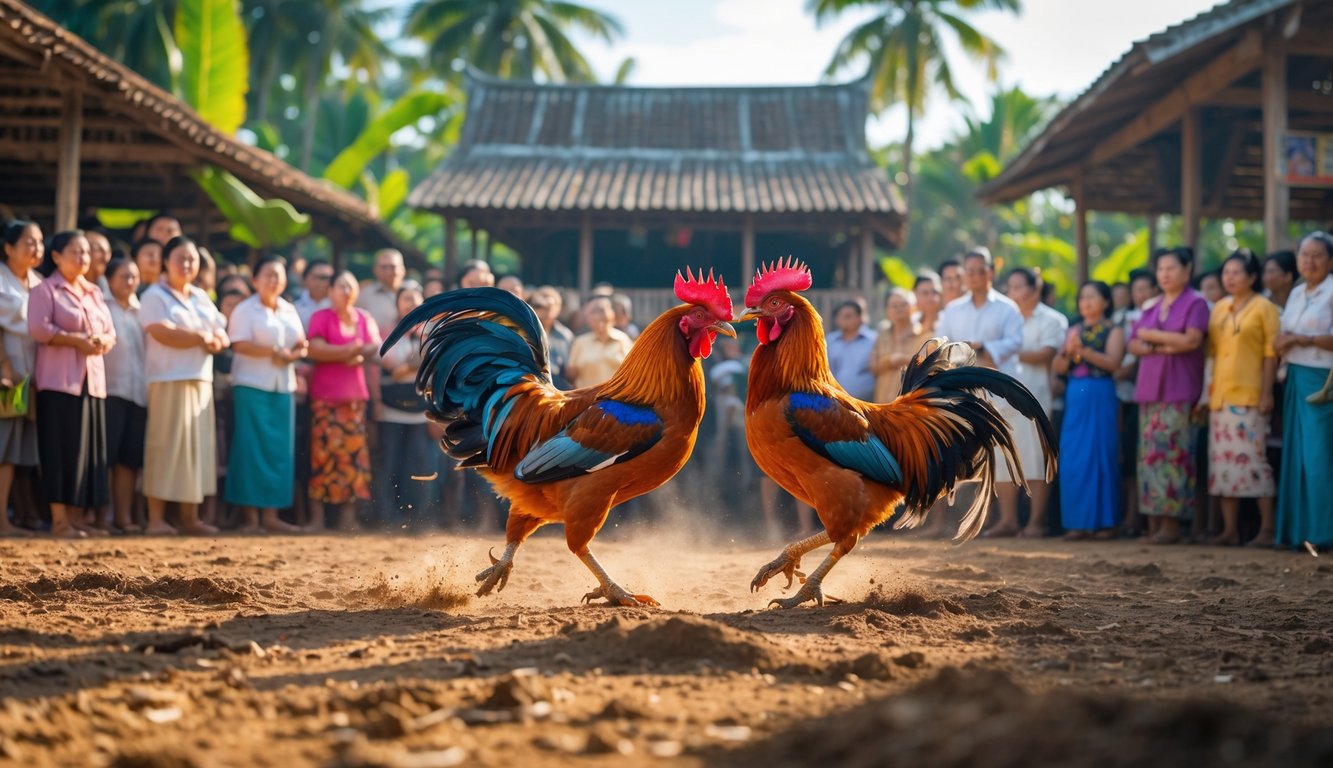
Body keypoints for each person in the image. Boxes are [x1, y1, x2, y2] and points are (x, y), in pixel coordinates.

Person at [27, 230, 117, 539]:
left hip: (91, 381)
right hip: (57, 382)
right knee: (58, 449)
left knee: (86, 452)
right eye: (75, 252)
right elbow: (40, 329)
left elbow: (110, 332)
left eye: (86, 253)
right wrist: (77, 341)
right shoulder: (45, 290)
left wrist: (102, 341)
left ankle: (77, 519)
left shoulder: (93, 291)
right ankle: (59, 520)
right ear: (56, 256)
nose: (83, 258)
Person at [930, 248, 1023, 538]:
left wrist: (981, 347)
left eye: (978, 270)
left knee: (1003, 454)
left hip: (999, 391)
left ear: (990, 273)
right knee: (962, 455)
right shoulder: (953, 309)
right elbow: (939, 344)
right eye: (967, 271)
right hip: (961, 393)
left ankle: (1007, 520)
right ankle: (963, 522)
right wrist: (963, 350)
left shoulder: (1007, 308)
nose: (972, 275)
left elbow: (1015, 342)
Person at [140, 236, 229, 535]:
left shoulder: (201, 297)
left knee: (197, 451)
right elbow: (160, 332)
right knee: (165, 448)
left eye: (192, 259)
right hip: (168, 378)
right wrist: (201, 338)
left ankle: (189, 519)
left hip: (200, 379)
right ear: (166, 260)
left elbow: (222, 332)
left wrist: (213, 340)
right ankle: (156, 520)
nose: (187, 264)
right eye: (181, 258)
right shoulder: (155, 295)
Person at [1126, 247, 1209, 545]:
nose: (1165, 274)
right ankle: (1154, 525)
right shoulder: (1151, 305)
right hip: (1150, 389)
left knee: (1173, 455)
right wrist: (1165, 344)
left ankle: (1172, 526)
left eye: (1171, 268)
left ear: (1187, 271)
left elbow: (1192, 340)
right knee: (1149, 456)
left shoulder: (1196, 302)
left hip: (1179, 388)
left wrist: (1152, 337)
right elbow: (1133, 344)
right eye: (1161, 268)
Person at [225, 256, 308, 534]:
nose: (274, 280)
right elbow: (238, 344)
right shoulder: (245, 310)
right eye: (268, 274)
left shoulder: (288, 309)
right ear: (255, 280)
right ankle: (250, 518)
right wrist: (273, 353)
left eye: (278, 275)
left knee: (278, 451)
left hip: (283, 387)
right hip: (251, 385)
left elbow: (301, 344)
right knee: (250, 448)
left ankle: (272, 515)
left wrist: (292, 355)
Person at [1206, 249, 1280, 547]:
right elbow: (1211, 354)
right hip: (1220, 398)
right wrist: (1206, 393)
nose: (1230, 277)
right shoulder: (1220, 307)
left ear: (1252, 276)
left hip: (1250, 397)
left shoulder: (1265, 307)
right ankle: (1230, 530)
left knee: (1255, 462)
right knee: (1223, 465)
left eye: (1237, 272)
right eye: (1226, 272)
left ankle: (1266, 529)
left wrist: (1266, 393)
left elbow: (1270, 354)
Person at [306, 271, 379, 532]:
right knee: (322, 456)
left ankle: (348, 519)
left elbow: (375, 345)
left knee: (353, 458)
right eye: (340, 286)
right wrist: (348, 351)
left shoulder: (364, 317)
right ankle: (317, 520)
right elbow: (313, 348)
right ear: (331, 291)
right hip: (325, 398)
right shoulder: (321, 317)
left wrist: (356, 353)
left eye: (350, 286)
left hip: (355, 399)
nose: (346, 290)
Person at [997, 268, 1067, 538]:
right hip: (1002, 398)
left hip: (1037, 398)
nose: (1012, 292)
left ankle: (1036, 522)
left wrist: (1003, 349)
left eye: (1018, 287)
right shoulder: (1005, 318)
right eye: (1010, 287)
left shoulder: (1053, 320)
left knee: (1038, 460)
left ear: (1035, 289)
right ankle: (1008, 521)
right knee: (1002, 459)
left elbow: (1045, 355)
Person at [1274, 232, 1333, 551]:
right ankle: (1298, 532)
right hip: (1294, 376)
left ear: (1331, 261)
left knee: (1318, 456)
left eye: (1317, 255)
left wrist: (1302, 339)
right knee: (1295, 456)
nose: (1309, 261)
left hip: (1323, 380)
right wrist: (1285, 341)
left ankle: (1324, 533)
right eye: (1304, 254)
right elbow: (1284, 334)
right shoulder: (1297, 293)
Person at [1053, 281, 1125, 539]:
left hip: (1101, 391)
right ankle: (1077, 522)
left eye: (1092, 297)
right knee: (1074, 456)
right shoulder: (1073, 330)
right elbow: (1059, 367)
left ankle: (1106, 523)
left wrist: (1082, 351)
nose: (1086, 302)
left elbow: (1113, 363)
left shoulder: (1114, 330)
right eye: (1083, 297)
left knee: (1102, 454)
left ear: (1106, 301)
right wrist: (1068, 353)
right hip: (1077, 393)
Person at [373, 284, 435, 527]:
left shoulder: (431, 334)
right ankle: (385, 516)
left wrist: (408, 367)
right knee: (388, 463)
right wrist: (416, 363)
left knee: (419, 465)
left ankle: (417, 518)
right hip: (390, 409)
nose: (410, 303)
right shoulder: (387, 332)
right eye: (405, 298)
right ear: (397, 303)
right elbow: (389, 366)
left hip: (421, 411)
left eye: (415, 299)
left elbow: (433, 368)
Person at [0, 221, 43, 536]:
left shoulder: (40, 283)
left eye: (40, 241)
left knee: (12, 451)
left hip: (30, 378)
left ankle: (5, 518)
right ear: (9, 248)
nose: (36, 247)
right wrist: (4, 365)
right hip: (7, 376)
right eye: (29, 241)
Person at [102, 258, 147, 533]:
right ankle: (98, 518)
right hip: (109, 390)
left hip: (138, 392)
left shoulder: (142, 311)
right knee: (105, 459)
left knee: (129, 460)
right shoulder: (101, 307)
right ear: (109, 279)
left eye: (133, 277)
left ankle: (123, 517)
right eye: (123, 276)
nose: (129, 282)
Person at [1113, 269, 1157, 536]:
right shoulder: (1124, 319)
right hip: (1124, 396)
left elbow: (1130, 360)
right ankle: (1130, 516)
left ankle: (1141, 518)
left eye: (1144, 289)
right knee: (1128, 458)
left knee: (1146, 456)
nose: (1139, 294)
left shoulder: (1153, 317)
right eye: (1136, 290)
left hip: (1149, 392)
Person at [566, 296, 632, 389]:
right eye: (594, 312)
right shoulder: (580, 342)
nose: (599, 315)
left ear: (612, 315)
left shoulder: (623, 339)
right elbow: (571, 375)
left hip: (616, 399)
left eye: (602, 310)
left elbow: (633, 371)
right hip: (587, 400)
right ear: (587, 319)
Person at [870, 288, 921, 402]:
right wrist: (891, 361)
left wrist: (905, 361)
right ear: (886, 310)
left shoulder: (922, 334)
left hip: (908, 409)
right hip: (881, 406)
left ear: (913, 307)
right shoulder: (882, 333)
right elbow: (873, 367)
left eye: (903, 304)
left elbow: (924, 370)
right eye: (894, 305)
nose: (899, 309)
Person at [826, 301, 877, 402]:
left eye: (848, 316)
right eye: (839, 316)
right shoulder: (830, 340)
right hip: (837, 403)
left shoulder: (873, 340)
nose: (843, 320)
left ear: (859, 318)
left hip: (868, 404)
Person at [529, 285, 574, 389]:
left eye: (551, 305)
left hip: (558, 391)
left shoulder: (565, 335)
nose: (546, 310)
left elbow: (570, 372)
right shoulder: (524, 331)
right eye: (541, 305)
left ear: (559, 308)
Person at [356, 249, 405, 341]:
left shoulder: (414, 291)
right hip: (375, 351)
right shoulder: (364, 294)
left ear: (402, 269)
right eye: (384, 267)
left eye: (392, 266)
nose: (388, 272)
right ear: (375, 270)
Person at [293, 258, 333, 329]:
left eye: (328, 278)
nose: (325, 282)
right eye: (319, 277)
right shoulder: (294, 306)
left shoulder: (338, 305)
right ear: (305, 278)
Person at [913, 270, 943, 337]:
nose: (931, 298)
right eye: (925, 293)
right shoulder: (911, 322)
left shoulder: (949, 320)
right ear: (915, 294)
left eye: (935, 292)